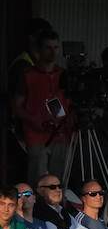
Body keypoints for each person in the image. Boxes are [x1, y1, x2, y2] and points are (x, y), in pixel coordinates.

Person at [14, 29, 74, 184]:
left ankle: (58, 208)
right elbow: (16, 107)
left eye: (55, 47)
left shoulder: (64, 74)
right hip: (36, 135)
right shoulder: (27, 75)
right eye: (48, 48)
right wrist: (33, 120)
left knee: (59, 182)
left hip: (61, 133)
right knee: (37, 180)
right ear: (39, 50)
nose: (52, 52)